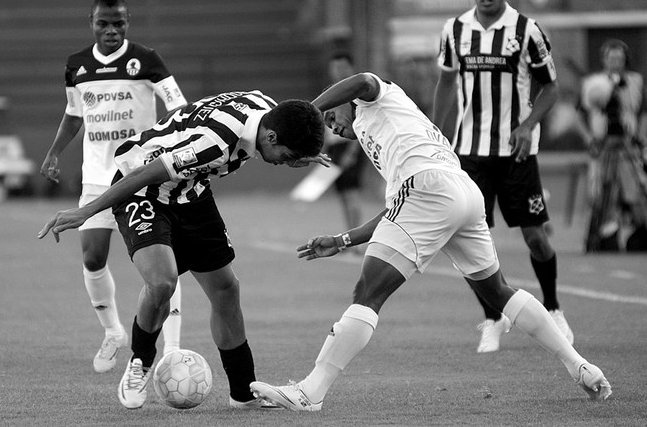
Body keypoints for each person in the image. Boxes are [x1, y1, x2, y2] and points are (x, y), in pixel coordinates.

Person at [249, 72, 612, 412]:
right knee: (497, 290)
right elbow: (398, 210)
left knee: (368, 293)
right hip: (460, 193)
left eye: (330, 117)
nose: (332, 125)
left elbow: (362, 81)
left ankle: (311, 391)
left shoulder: (376, 100)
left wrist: (309, 113)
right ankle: (581, 367)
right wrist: (343, 240)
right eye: (327, 126)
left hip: (431, 190)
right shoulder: (385, 141)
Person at [38, 91, 326, 409]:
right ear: (270, 136)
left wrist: (302, 150)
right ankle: (141, 362)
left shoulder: (268, 109)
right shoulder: (215, 144)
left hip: (191, 190)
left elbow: (305, 114)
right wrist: (86, 211)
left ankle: (244, 394)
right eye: (286, 155)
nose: (285, 163)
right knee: (162, 282)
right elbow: (144, 174)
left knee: (226, 289)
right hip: (143, 190)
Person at [432, 0, 573, 353]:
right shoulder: (455, 30)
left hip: (516, 153)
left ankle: (555, 308)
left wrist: (527, 125)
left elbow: (551, 89)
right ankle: (494, 317)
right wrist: (436, 134)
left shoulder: (527, 31)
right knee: (469, 240)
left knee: (535, 238)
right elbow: (445, 83)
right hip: (470, 155)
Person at [40, 0, 185, 373]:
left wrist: (166, 145)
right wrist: (55, 152)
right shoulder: (76, 66)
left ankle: (171, 348)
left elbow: (179, 107)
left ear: (127, 22)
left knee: (164, 262)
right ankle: (113, 332)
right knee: (91, 256)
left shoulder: (147, 60)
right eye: (103, 23)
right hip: (97, 179)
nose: (111, 30)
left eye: (118, 23)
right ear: (91, 23)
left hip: (143, 176)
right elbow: (74, 114)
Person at [579, 39, 647, 251]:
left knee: (635, 189)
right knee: (601, 191)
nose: (616, 62)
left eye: (620, 58)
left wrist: (641, 137)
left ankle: (640, 230)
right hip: (602, 145)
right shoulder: (593, 83)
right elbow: (580, 113)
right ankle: (603, 233)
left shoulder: (636, 82)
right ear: (604, 60)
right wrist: (589, 138)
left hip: (628, 144)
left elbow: (642, 112)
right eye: (611, 58)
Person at [323, 51, 367, 230]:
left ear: (351, 68)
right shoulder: (331, 91)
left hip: (349, 145)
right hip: (334, 147)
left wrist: (352, 152)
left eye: (343, 67)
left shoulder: (357, 92)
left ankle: (355, 237)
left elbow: (362, 123)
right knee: (342, 195)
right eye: (335, 67)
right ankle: (348, 233)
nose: (339, 71)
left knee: (351, 194)